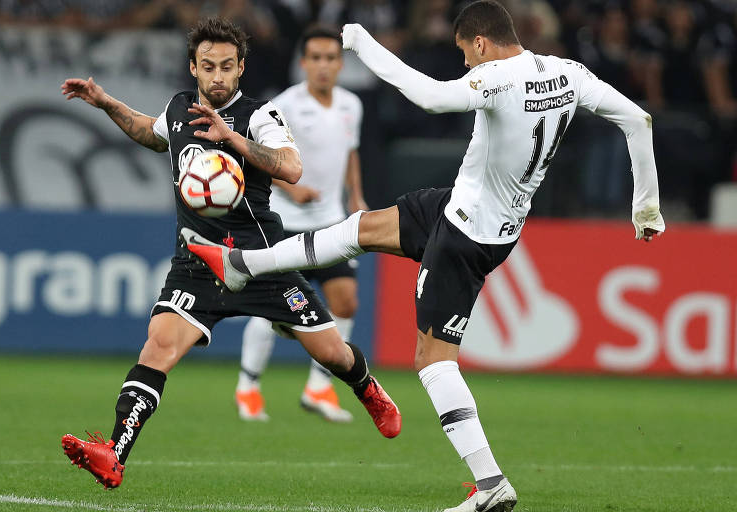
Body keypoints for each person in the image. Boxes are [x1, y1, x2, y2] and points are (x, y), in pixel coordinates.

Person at [184, 2, 666, 510]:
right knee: (361, 228)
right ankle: (243, 266)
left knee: (432, 361)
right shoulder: (571, 73)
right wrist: (646, 208)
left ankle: (490, 485)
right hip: (465, 209)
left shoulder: (498, 77)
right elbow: (638, 119)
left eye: (464, 53)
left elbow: (431, 98)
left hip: (466, 235)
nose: (465, 65)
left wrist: (362, 43)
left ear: (480, 42)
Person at [58, 17, 401, 491]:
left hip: (260, 261)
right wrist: (106, 103)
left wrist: (234, 139)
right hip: (197, 262)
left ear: (241, 68)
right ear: (193, 69)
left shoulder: (259, 116)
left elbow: (292, 168)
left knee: (333, 353)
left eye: (226, 67)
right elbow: (151, 134)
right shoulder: (178, 108)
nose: (217, 77)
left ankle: (368, 389)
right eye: (207, 67)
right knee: (158, 344)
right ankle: (114, 454)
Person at [235, 25, 367, 423]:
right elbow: (259, 156)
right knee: (269, 309)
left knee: (345, 302)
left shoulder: (351, 106)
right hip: (284, 222)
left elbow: (350, 153)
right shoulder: (283, 106)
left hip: (330, 222)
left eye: (331, 58)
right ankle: (248, 387)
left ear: (340, 64)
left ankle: (319, 386)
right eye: (316, 58)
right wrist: (291, 190)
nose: (324, 66)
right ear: (303, 63)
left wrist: (355, 196)